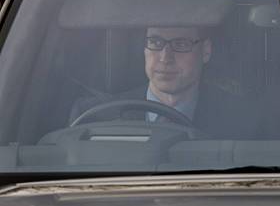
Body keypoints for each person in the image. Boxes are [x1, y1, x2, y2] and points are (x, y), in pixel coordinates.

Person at [69, 26, 247, 137]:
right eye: (155, 42)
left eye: (181, 44)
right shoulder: (93, 117)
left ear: (206, 51)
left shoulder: (243, 120)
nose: (165, 58)